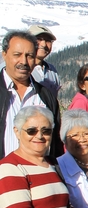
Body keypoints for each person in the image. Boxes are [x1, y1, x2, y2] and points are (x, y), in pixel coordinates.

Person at [0, 30, 62, 159]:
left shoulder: (46, 96)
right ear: (4, 54)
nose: (23, 61)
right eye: (17, 55)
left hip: (39, 174)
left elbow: (56, 142)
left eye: (29, 56)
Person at [28, 25, 61, 97]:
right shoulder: (18, 68)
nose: (43, 44)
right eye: (38, 39)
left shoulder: (52, 71)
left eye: (48, 41)